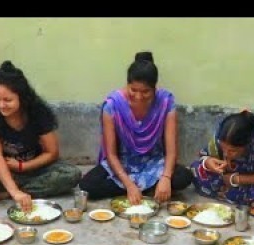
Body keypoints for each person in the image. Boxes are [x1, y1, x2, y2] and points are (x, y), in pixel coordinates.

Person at [79, 51, 193, 204]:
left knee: (184, 177)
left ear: (154, 89)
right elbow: (111, 155)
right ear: (128, 84)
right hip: (123, 163)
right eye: (133, 90)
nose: (139, 97)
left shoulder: (166, 102)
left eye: (145, 91)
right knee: (87, 186)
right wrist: (129, 185)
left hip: (154, 162)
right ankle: (146, 189)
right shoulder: (113, 105)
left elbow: (171, 150)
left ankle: (152, 186)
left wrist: (165, 178)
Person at [0, 60, 81, 212]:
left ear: (22, 98)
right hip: (4, 168)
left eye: (8, 100)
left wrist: (23, 166)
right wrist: (15, 189)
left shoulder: (38, 112)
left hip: (36, 167)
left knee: (72, 175)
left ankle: (6, 194)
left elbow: (52, 152)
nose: (1, 105)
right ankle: (17, 191)